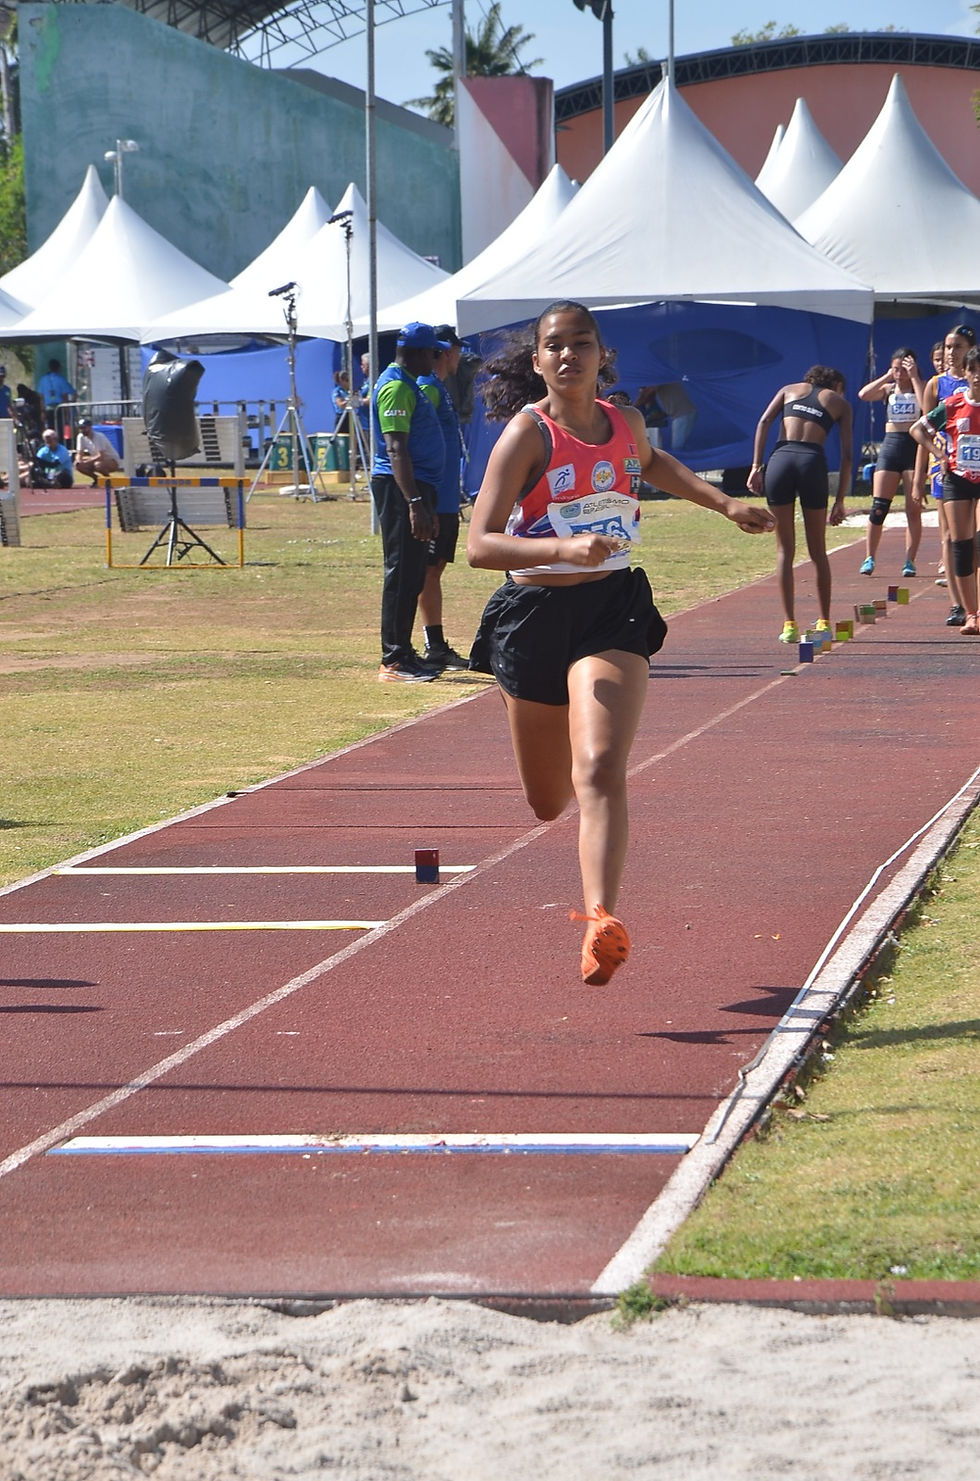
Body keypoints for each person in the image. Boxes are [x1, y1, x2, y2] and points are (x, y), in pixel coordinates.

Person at [467, 301, 774, 987]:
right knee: (548, 800)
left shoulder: (626, 423)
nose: (569, 355)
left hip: (613, 606)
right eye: (555, 345)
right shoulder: (527, 436)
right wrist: (561, 546)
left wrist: (722, 504)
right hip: (534, 613)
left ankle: (600, 922)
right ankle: (583, 861)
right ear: (539, 360)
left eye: (583, 343)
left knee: (602, 764)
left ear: (603, 354)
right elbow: (478, 544)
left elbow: (654, 461)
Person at [747, 366, 852, 644]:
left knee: (784, 549)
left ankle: (790, 624)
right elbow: (848, 456)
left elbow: (763, 422)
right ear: (837, 385)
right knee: (818, 550)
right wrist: (840, 500)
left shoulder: (787, 389)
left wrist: (756, 466)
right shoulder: (839, 401)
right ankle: (825, 622)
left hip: (780, 460)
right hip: (811, 463)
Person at [370, 321, 447, 682]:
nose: (436, 359)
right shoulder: (397, 387)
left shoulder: (409, 385)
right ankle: (394, 659)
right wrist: (414, 501)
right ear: (418, 352)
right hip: (402, 488)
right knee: (402, 572)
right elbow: (396, 447)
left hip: (416, 488)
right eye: (433, 352)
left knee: (414, 572)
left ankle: (404, 650)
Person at [911, 343, 980, 634]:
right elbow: (917, 429)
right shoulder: (952, 404)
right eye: (974, 370)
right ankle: (972, 614)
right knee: (960, 546)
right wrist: (939, 455)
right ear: (965, 373)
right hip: (956, 478)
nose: (978, 376)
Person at [415, 325, 469, 671]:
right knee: (425, 571)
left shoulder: (438, 389)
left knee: (434, 569)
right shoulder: (427, 389)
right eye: (457, 353)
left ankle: (435, 644)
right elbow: (416, 440)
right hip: (436, 498)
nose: (459, 360)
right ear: (446, 351)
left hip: (446, 498)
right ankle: (426, 645)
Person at [857, 348, 925, 577]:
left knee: (912, 509)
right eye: (896, 369)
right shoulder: (888, 389)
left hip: (912, 448)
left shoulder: (920, 387)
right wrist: (887, 376)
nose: (899, 374)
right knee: (878, 508)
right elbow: (863, 394)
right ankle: (869, 558)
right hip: (890, 447)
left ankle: (910, 560)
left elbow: (927, 406)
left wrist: (913, 376)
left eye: (902, 369)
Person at [36, 358, 76, 431]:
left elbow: (41, 398)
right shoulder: (61, 379)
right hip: (60, 409)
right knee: (60, 430)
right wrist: (69, 410)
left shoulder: (43, 380)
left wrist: (42, 411)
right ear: (58, 368)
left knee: (50, 430)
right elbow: (65, 397)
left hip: (48, 409)